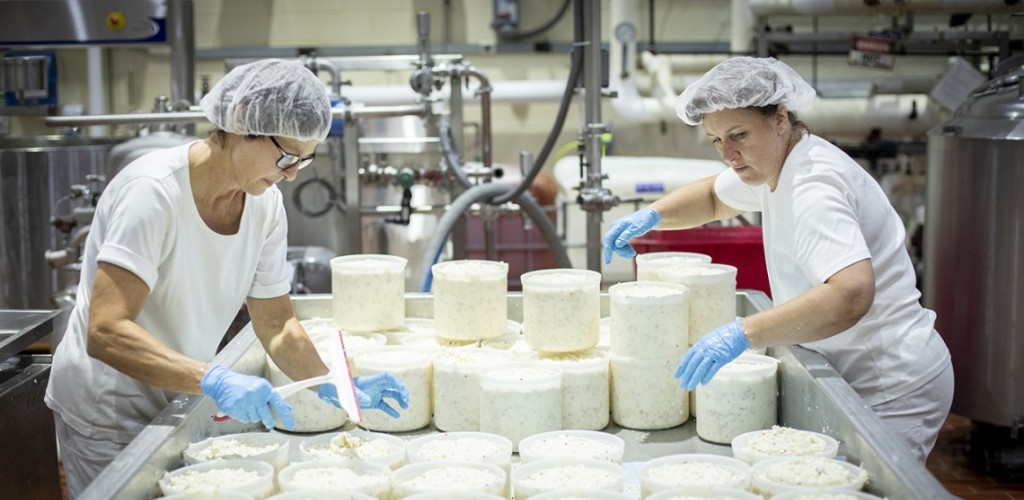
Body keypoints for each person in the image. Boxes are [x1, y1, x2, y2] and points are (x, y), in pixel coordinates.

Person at [44, 59, 409, 498]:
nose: (293, 173)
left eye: (305, 160)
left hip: (177, 394)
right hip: (108, 411)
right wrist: (213, 379)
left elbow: (276, 324)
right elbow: (104, 331)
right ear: (241, 127)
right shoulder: (154, 194)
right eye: (287, 155)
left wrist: (331, 382)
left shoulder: (265, 205)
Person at [603, 56, 953, 462]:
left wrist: (743, 333)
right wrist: (652, 216)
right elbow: (714, 197)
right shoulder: (775, 166)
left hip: (891, 383)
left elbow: (852, 294)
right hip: (855, 371)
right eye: (717, 141)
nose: (729, 154)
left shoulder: (812, 188)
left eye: (738, 134)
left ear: (780, 118)